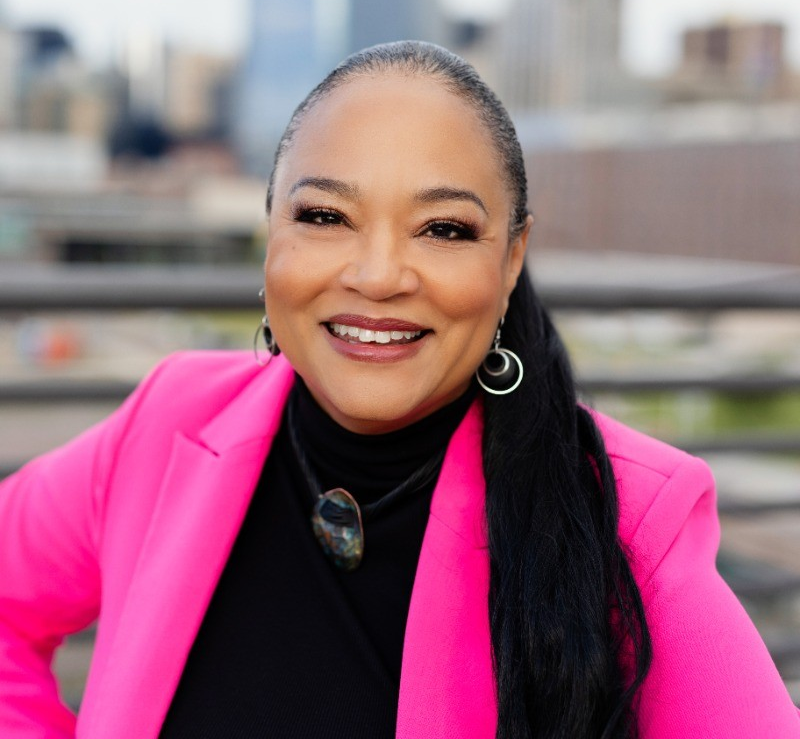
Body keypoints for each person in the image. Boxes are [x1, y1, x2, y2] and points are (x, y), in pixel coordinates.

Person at [0, 41, 798, 739]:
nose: (377, 276)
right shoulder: (167, 421)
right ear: (269, 229)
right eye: (324, 216)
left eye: (443, 229)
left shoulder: (624, 521)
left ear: (512, 257)